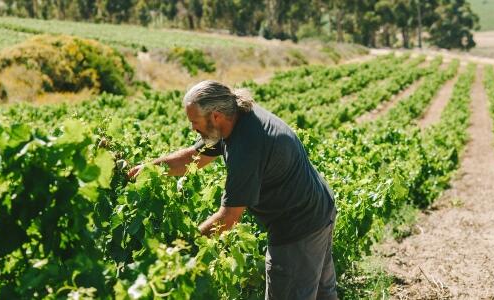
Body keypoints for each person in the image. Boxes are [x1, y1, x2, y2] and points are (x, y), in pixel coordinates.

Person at [128, 80, 338, 299]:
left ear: (216, 115)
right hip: (319, 207)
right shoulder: (234, 118)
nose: (192, 128)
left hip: (298, 227)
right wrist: (149, 169)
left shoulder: (246, 147)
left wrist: (184, 248)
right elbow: (194, 157)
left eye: (195, 122)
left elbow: (228, 218)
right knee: (323, 294)